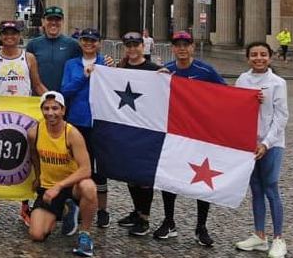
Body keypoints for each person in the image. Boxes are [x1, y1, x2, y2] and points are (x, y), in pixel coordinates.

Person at [153, 30, 225, 246]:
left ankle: (201, 226)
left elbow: (226, 95)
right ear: (173, 48)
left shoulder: (205, 70)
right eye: (178, 45)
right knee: (169, 178)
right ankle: (169, 221)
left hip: (200, 134)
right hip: (175, 133)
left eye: (186, 44)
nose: (182, 48)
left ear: (192, 47)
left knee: (202, 180)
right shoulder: (168, 71)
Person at [0, 20, 47, 225]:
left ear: (19, 35)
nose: (10, 37)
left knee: (25, 159)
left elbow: (37, 84)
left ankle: (25, 205)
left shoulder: (29, 58)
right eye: (6, 33)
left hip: (23, 117)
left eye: (13, 33)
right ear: (0, 36)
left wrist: (53, 99)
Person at [234, 41, 289, 258]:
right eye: (254, 55)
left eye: (263, 54)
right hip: (249, 144)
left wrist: (266, 143)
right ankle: (259, 235)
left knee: (271, 188)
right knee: (256, 189)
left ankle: (278, 238)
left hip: (271, 144)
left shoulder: (278, 82)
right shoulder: (242, 79)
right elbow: (236, 109)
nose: (259, 58)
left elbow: (281, 116)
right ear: (248, 58)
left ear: (270, 57)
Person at [28, 91, 98, 257]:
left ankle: (85, 235)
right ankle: (67, 210)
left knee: (89, 187)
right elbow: (34, 156)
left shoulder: (72, 134)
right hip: (48, 187)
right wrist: (38, 177)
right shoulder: (34, 132)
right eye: (46, 108)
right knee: (37, 235)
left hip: (71, 186)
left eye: (55, 108)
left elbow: (86, 169)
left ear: (63, 110)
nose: (50, 113)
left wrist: (59, 186)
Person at [60, 28, 110, 228]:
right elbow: (66, 90)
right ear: (80, 42)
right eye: (85, 40)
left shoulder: (106, 64)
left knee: (100, 168)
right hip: (78, 121)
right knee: (78, 166)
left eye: (93, 40)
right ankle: (79, 205)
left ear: (99, 43)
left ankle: (103, 209)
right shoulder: (71, 64)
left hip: (100, 121)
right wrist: (84, 76)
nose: (89, 43)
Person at [114, 32, 162, 237]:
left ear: (143, 46)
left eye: (136, 45)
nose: (132, 48)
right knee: (130, 175)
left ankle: (145, 218)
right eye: (129, 45)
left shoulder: (155, 70)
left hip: (147, 129)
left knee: (143, 176)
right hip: (126, 128)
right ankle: (137, 211)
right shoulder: (120, 69)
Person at [26, 6, 81, 92]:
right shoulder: (33, 45)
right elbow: (28, 71)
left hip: (65, 97)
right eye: (50, 19)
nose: (53, 23)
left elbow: (85, 63)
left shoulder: (73, 44)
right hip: (39, 97)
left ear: (62, 21)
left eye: (57, 20)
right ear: (43, 21)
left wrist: (106, 61)